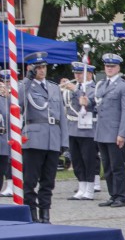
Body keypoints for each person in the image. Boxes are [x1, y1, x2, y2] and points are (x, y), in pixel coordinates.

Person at [21, 52, 69, 223]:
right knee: (30, 181)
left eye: (44, 67)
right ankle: (31, 214)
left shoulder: (53, 87)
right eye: (38, 67)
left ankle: (45, 214)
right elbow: (18, 101)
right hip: (34, 139)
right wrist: (28, 79)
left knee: (48, 181)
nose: (42, 70)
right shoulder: (25, 86)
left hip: (53, 139)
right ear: (30, 68)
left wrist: (64, 141)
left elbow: (62, 116)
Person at [93, 54, 125, 207]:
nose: (109, 69)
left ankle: (121, 196)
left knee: (117, 166)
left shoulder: (124, 86)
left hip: (115, 131)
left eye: (112, 66)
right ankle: (112, 194)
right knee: (108, 166)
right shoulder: (102, 85)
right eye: (107, 66)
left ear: (118, 68)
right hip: (102, 131)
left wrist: (122, 133)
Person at [66, 62, 98, 201]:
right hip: (73, 127)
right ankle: (81, 187)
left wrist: (75, 90)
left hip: (88, 129)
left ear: (89, 74)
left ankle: (90, 188)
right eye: (76, 73)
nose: (77, 76)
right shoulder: (74, 87)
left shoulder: (94, 87)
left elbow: (89, 102)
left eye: (80, 73)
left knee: (88, 159)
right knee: (77, 159)